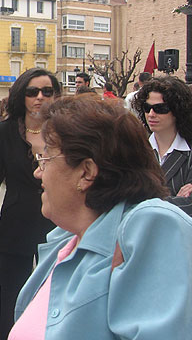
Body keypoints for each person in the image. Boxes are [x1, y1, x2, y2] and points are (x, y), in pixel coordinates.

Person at [10, 95, 192, 339]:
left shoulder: (149, 226)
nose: (37, 172)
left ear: (86, 172)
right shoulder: (64, 240)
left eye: (44, 159)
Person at [0, 68, 61, 340]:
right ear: (21, 96)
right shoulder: (4, 131)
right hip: (16, 224)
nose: (39, 98)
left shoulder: (67, 129)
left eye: (47, 91)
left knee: (56, 299)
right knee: (12, 301)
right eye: (32, 92)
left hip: (60, 224)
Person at [133, 76, 192, 214]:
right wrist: (171, 201)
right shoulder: (135, 149)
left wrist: (141, 203)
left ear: (177, 111)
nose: (151, 114)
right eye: (147, 108)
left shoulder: (189, 151)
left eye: (160, 108)